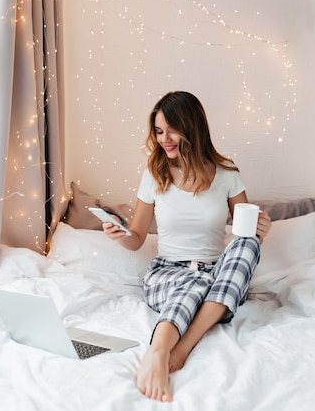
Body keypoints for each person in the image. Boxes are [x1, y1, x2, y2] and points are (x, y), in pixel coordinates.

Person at [101, 91, 272, 402]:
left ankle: (185, 344)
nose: (164, 139)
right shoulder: (154, 174)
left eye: (171, 130)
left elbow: (246, 233)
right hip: (169, 275)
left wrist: (262, 229)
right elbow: (137, 236)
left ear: (192, 127)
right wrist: (120, 233)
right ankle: (158, 351)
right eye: (158, 130)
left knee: (245, 245)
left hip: (218, 276)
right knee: (195, 280)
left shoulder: (227, 174)